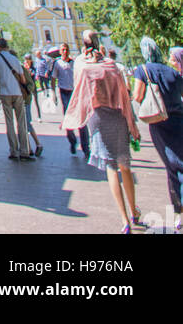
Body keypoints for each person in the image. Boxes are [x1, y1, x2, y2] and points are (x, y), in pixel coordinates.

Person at [63, 37, 141, 232]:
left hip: (97, 117)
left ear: (83, 46)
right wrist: (132, 124)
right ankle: (134, 211)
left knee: (111, 167)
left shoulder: (83, 68)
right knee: (125, 165)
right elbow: (124, 96)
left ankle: (125, 220)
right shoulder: (112, 66)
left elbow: (79, 96)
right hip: (117, 115)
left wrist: (71, 120)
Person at [132, 37, 183, 231]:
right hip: (179, 122)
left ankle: (180, 213)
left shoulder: (142, 70)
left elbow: (137, 95)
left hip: (159, 124)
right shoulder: (173, 72)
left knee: (172, 169)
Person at [0, 38, 32, 160]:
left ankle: (14, 151)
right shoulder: (14, 59)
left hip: (5, 93)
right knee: (22, 122)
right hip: (17, 93)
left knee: (9, 122)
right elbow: (22, 78)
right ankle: (25, 150)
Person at [54, 42, 89, 156]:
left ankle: (85, 146)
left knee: (81, 119)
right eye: (62, 49)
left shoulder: (74, 63)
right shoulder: (57, 63)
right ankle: (73, 141)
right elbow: (53, 78)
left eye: (66, 49)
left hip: (75, 92)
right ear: (60, 52)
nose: (65, 51)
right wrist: (52, 93)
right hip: (64, 92)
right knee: (68, 119)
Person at [21, 53, 44, 156]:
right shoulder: (22, 69)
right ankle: (29, 147)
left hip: (26, 98)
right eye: (25, 59)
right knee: (23, 124)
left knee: (26, 123)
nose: (26, 61)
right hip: (22, 98)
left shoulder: (26, 70)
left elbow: (31, 83)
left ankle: (37, 144)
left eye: (28, 59)